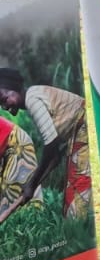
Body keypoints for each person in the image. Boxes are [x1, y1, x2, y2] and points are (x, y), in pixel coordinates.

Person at [0, 69, 90, 224]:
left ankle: (77, 228)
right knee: (74, 190)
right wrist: (33, 185)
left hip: (85, 127)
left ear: (13, 87)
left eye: (3, 99)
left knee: (77, 194)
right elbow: (54, 157)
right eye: (1, 104)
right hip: (78, 133)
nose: (4, 107)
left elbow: (51, 146)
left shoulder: (32, 99)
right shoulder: (33, 98)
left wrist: (31, 184)